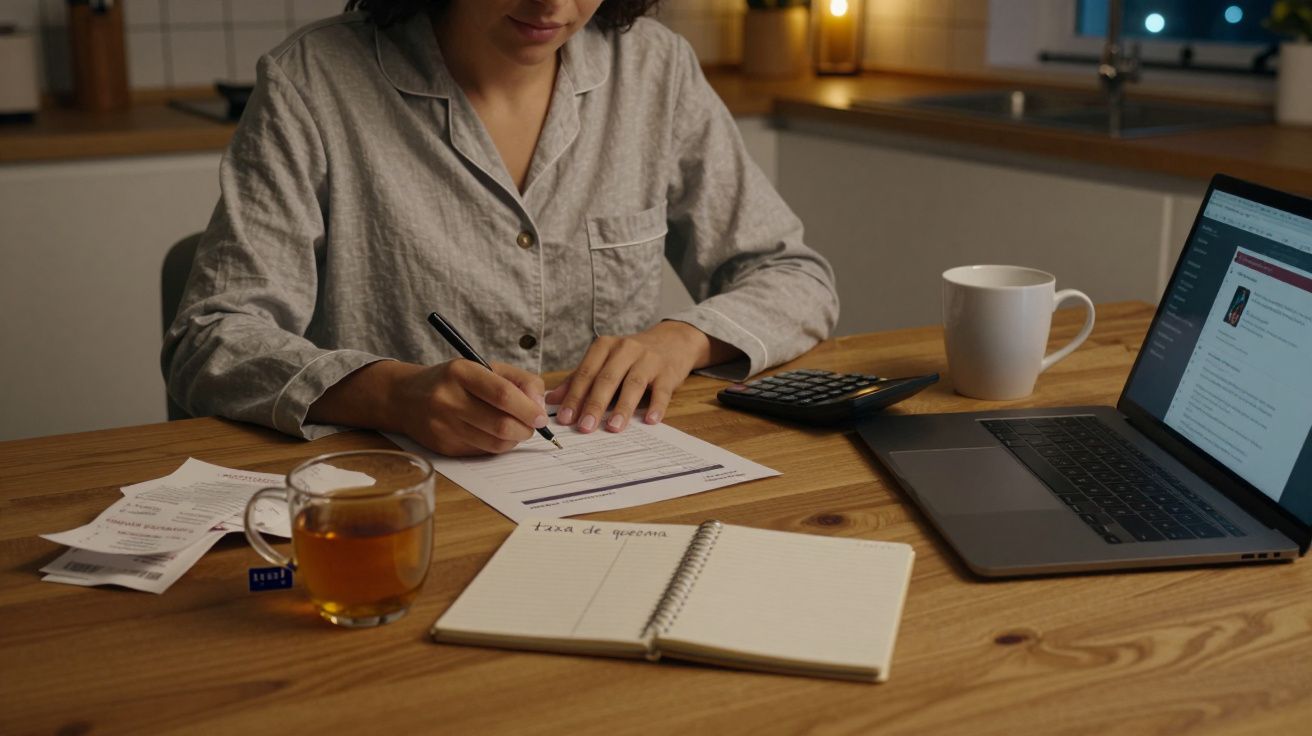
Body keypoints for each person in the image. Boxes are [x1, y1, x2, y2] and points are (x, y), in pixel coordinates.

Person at [162, 0, 838, 457]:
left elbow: (792, 276)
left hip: (606, 489)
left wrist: (681, 340)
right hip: (399, 506)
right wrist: (391, 394)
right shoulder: (313, 81)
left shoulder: (654, 69)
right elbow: (212, 338)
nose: (552, 1)